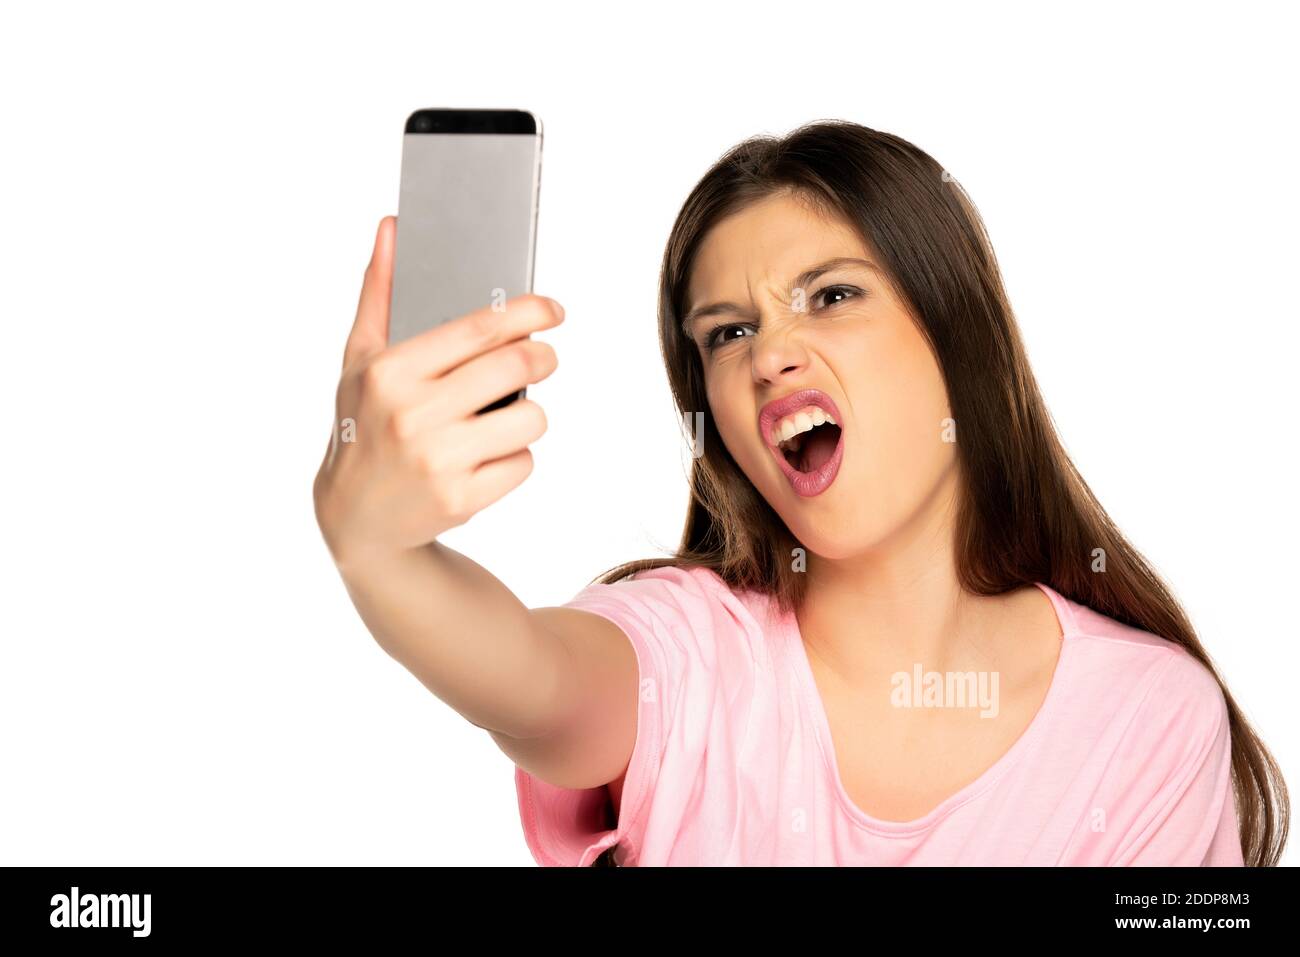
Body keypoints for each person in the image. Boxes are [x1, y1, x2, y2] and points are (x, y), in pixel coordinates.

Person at [313, 120, 1288, 867]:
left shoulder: (1145, 719)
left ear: (961, 341)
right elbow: (527, 680)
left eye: (830, 295)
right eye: (727, 333)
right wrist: (379, 551)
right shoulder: (687, 655)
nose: (772, 355)